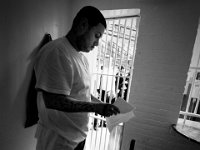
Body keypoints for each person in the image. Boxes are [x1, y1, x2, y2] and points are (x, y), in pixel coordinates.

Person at [34, 6, 120, 150]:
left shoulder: (80, 58)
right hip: (58, 139)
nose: (97, 43)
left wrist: (103, 105)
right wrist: (97, 108)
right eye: (97, 36)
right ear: (83, 25)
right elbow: (54, 101)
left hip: (77, 138)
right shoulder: (57, 52)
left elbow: (81, 93)